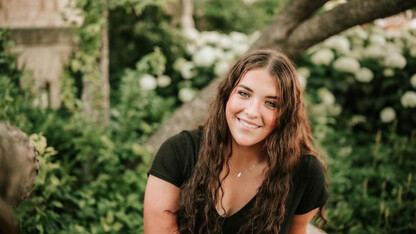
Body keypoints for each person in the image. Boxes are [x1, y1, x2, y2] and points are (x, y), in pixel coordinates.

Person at [144, 49, 329, 233]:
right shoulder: (180, 151)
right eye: (244, 94)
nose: (252, 112)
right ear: (227, 94)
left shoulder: (305, 173)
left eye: (271, 103)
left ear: (286, 115)